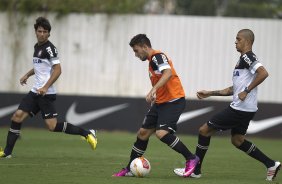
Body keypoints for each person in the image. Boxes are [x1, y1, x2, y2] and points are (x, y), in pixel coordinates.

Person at [173, 29, 281, 181]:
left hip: (239, 109)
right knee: (237, 140)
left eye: (238, 39)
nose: (235, 42)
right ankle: (271, 164)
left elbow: (263, 73)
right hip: (247, 109)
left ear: (247, 41)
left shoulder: (248, 56)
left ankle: (195, 170)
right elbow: (233, 89)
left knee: (204, 131)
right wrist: (210, 93)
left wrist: (247, 90)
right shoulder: (242, 60)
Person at [0, 17, 97, 158]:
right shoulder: (37, 47)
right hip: (35, 92)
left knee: (52, 126)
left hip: (46, 93)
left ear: (49, 34)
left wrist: (45, 87)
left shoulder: (50, 49)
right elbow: (39, 67)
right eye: (40, 31)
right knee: (17, 116)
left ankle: (87, 133)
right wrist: (27, 75)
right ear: (35, 32)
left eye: (45, 32)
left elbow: (58, 69)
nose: (42, 34)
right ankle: (7, 152)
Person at [112, 34, 199, 177]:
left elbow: (168, 73)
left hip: (173, 101)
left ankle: (191, 158)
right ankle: (129, 169)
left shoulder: (157, 56)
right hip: (161, 102)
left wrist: (153, 89)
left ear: (144, 46)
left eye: (136, 50)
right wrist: (156, 94)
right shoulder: (151, 61)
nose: (135, 54)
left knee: (161, 133)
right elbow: (162, 77)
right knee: (143, 133)